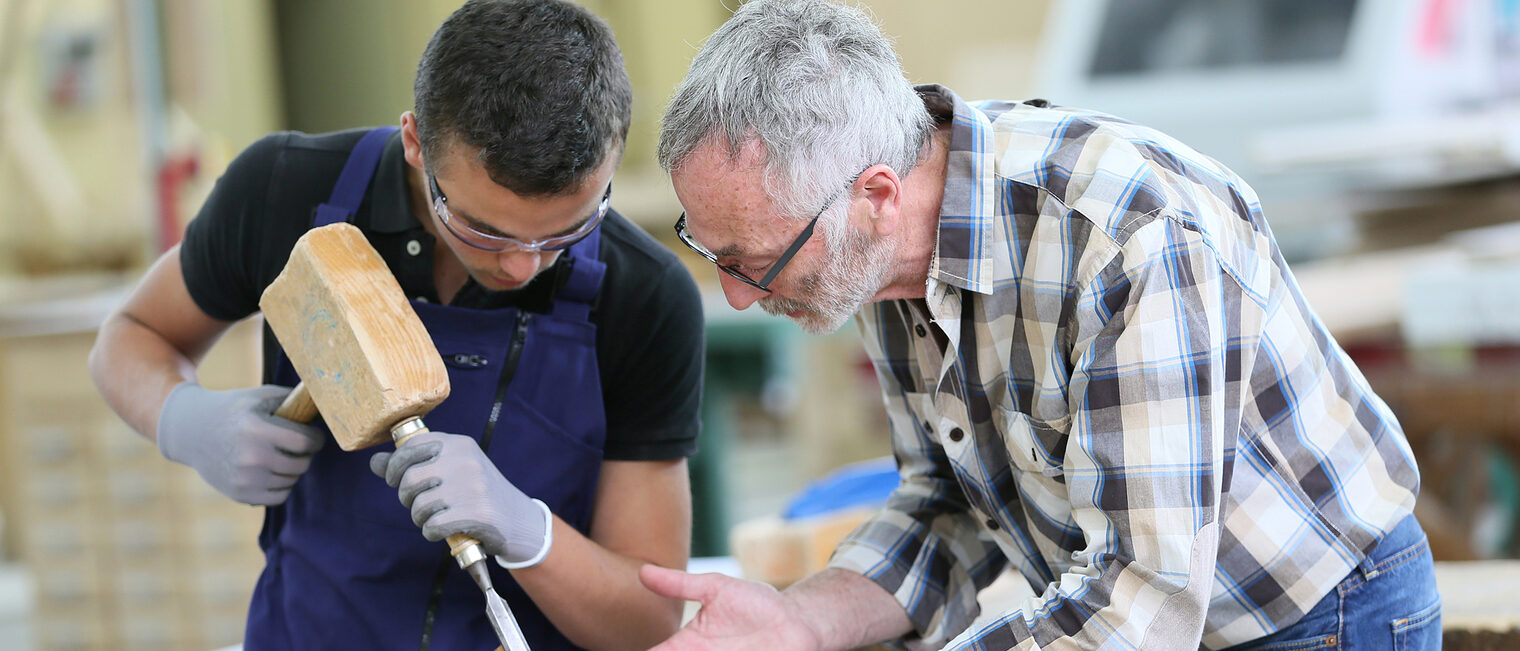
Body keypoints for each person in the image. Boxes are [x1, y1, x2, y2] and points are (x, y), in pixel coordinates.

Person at [640, 0, 1439, 649]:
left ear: (877, 197)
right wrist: (801, 621)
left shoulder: (1127, 236)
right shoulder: (869, 255)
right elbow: (945, 503)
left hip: (1317, 613)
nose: (737, 295)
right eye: (711, 252)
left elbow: (1140, 600)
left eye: (754, 262)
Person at [87, 1, 704, 649]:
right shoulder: (283, 190)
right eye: (483, 229)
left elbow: (648, 622)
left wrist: (529, 531)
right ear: (414, 141)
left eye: (567, 231)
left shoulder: (646, 296)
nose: (523, 265)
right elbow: (129, 337)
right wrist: (186, 421)